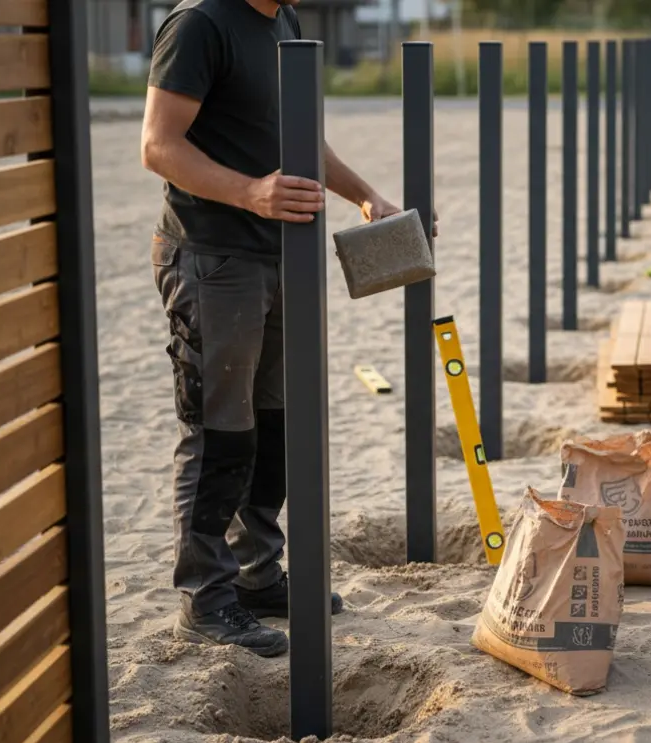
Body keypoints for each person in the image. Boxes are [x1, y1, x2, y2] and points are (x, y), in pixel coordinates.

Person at [141, 0, 434, 657]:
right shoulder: (199, 25)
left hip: (278, 256)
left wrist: (364, 196)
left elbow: (301, 141)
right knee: (219, 430)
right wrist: (249, 192)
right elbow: (158, 146)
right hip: (212, 256)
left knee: (272, 425)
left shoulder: (285, 23)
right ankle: (206, 599)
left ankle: (256, 575)